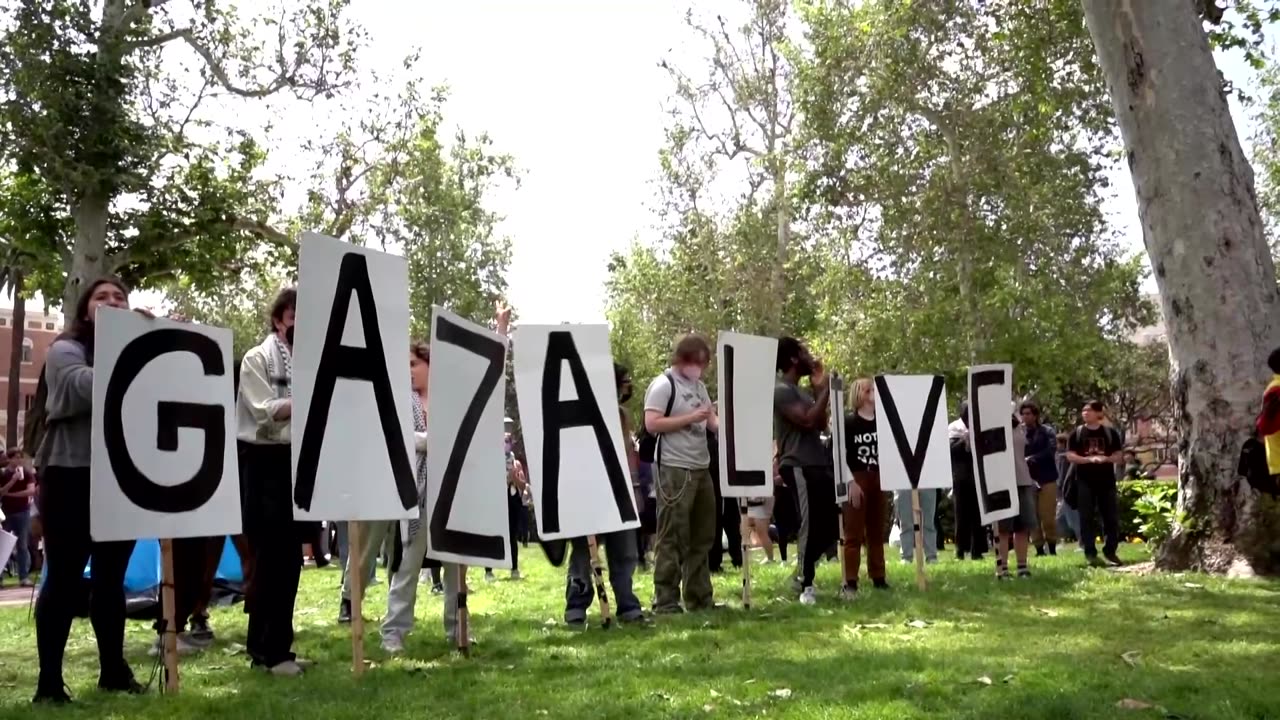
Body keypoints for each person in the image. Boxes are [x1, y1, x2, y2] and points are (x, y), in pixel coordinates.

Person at [33, 277, 146, 703]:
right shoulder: (65, 349)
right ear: (85, 310)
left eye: (120, 297)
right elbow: (87, 388)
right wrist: (145, 357)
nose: (113, 301)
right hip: (71, 473)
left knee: (111, 580)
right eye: (102, 297)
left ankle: (113, 671)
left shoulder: (134, 350)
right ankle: (48, 685)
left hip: (121, 475)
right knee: (62, 578)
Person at [237, 286, 310, 676]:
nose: (302, 323)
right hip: (264, 463)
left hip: (298, 463)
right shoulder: (257, 358)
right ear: (279, 318)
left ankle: (277, 646)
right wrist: (313, 398)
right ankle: (268, 650)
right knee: (269, 559)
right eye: (296, 314)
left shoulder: (308, 363)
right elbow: (264, 411)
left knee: (290, 561)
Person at [564, 364, 647, 627]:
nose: (627, 386)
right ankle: (577, 605)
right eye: (623, 382)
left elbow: (627, 458)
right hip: (588, 490)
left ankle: (627, 604)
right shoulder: (580, 413)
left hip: (619, 492)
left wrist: (635, 492)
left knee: (624, 551)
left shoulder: (621, 415)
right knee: (582, 553)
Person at [643, 337, 718, 613]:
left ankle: (699, 597)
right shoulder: (664, 385)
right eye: (695, 361)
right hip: (674, 468)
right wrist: (690, 418)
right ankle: (665, 599)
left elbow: (711, 421)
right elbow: (652, 423)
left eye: (703, 362)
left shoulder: (699, 387)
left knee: (703, 534)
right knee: (672, 534)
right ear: (682, 359)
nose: (700, 368)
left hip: (701, 466)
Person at [773, 337, 847, 605]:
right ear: (793, 358)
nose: (810, 356)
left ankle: (801, 571)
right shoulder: (781, 390)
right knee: (809, 521)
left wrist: (818, 390)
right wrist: (826, 389)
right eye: (804, 351)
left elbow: (820, 422)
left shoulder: (801, 391)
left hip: (816, 462)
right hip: (797, 464)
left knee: (828, 523)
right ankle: (805, 582)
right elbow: (806, 421)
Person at [841, 378, 888, 597]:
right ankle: (850, 579)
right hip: (857, 476)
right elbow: (840, 456)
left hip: (879, 475)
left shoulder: (883, 422)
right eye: (869, 390)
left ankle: (878, 576)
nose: (873, 394)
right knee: (853, 532)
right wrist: (851, 482)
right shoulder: (849, 423)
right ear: (860, 394)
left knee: (876, 530)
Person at [1066, 400, 1124, 567]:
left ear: (1099, 413)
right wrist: (1087, 459)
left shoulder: (1110, 433)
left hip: (1106, 481)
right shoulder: (1076, 433)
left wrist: (1106, 458)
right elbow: (1070, 455)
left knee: (1110, 517)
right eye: (1083, 410)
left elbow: (1119, 455)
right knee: (1086, 517)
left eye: (1089, 410)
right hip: (1084, 481)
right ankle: (1090, 552)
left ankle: (1110, 550)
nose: (1085, 413)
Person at [996, 415, 1038, 579]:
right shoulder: (989, 426)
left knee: (1022, 526)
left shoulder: (1018, 427)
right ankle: (1003, 567)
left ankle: (1022, 567)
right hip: (1000, 483)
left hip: (1022, 480)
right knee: (1003, 529)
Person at [1019, 401, 1059, 556]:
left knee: (1048, 517)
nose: (1025, 417)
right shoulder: (1020, 433)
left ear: (1035, 415)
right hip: (1028, 479)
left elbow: (1050, 450)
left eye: (1028, 413)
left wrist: (1032, 458)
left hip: (1047, 478)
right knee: (1033, 518)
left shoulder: (1046, 431)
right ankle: (1039, 549)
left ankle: (1052, 547)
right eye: (1023, 414)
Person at [949, 403, 987, 561]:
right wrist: (964, 440)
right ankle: (960, 549)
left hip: (978, 474)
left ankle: (977, 550)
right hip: (961, 475)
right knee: (961, 514)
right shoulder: (954, 427)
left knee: (979, 515)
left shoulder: (981, 425)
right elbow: (951, 451)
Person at [1, 449, 36, 587]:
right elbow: (1, 492)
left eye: (20, 458)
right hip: (6, 513)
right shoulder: (4, 474)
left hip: (23, 512)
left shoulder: (26, 473)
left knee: (22, 545)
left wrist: (11, 495)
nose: (19, 460)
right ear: (9, 459)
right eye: (16, 457)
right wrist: (13, 481)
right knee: (2, 545)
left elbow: (31, 490)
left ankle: (23, 577)